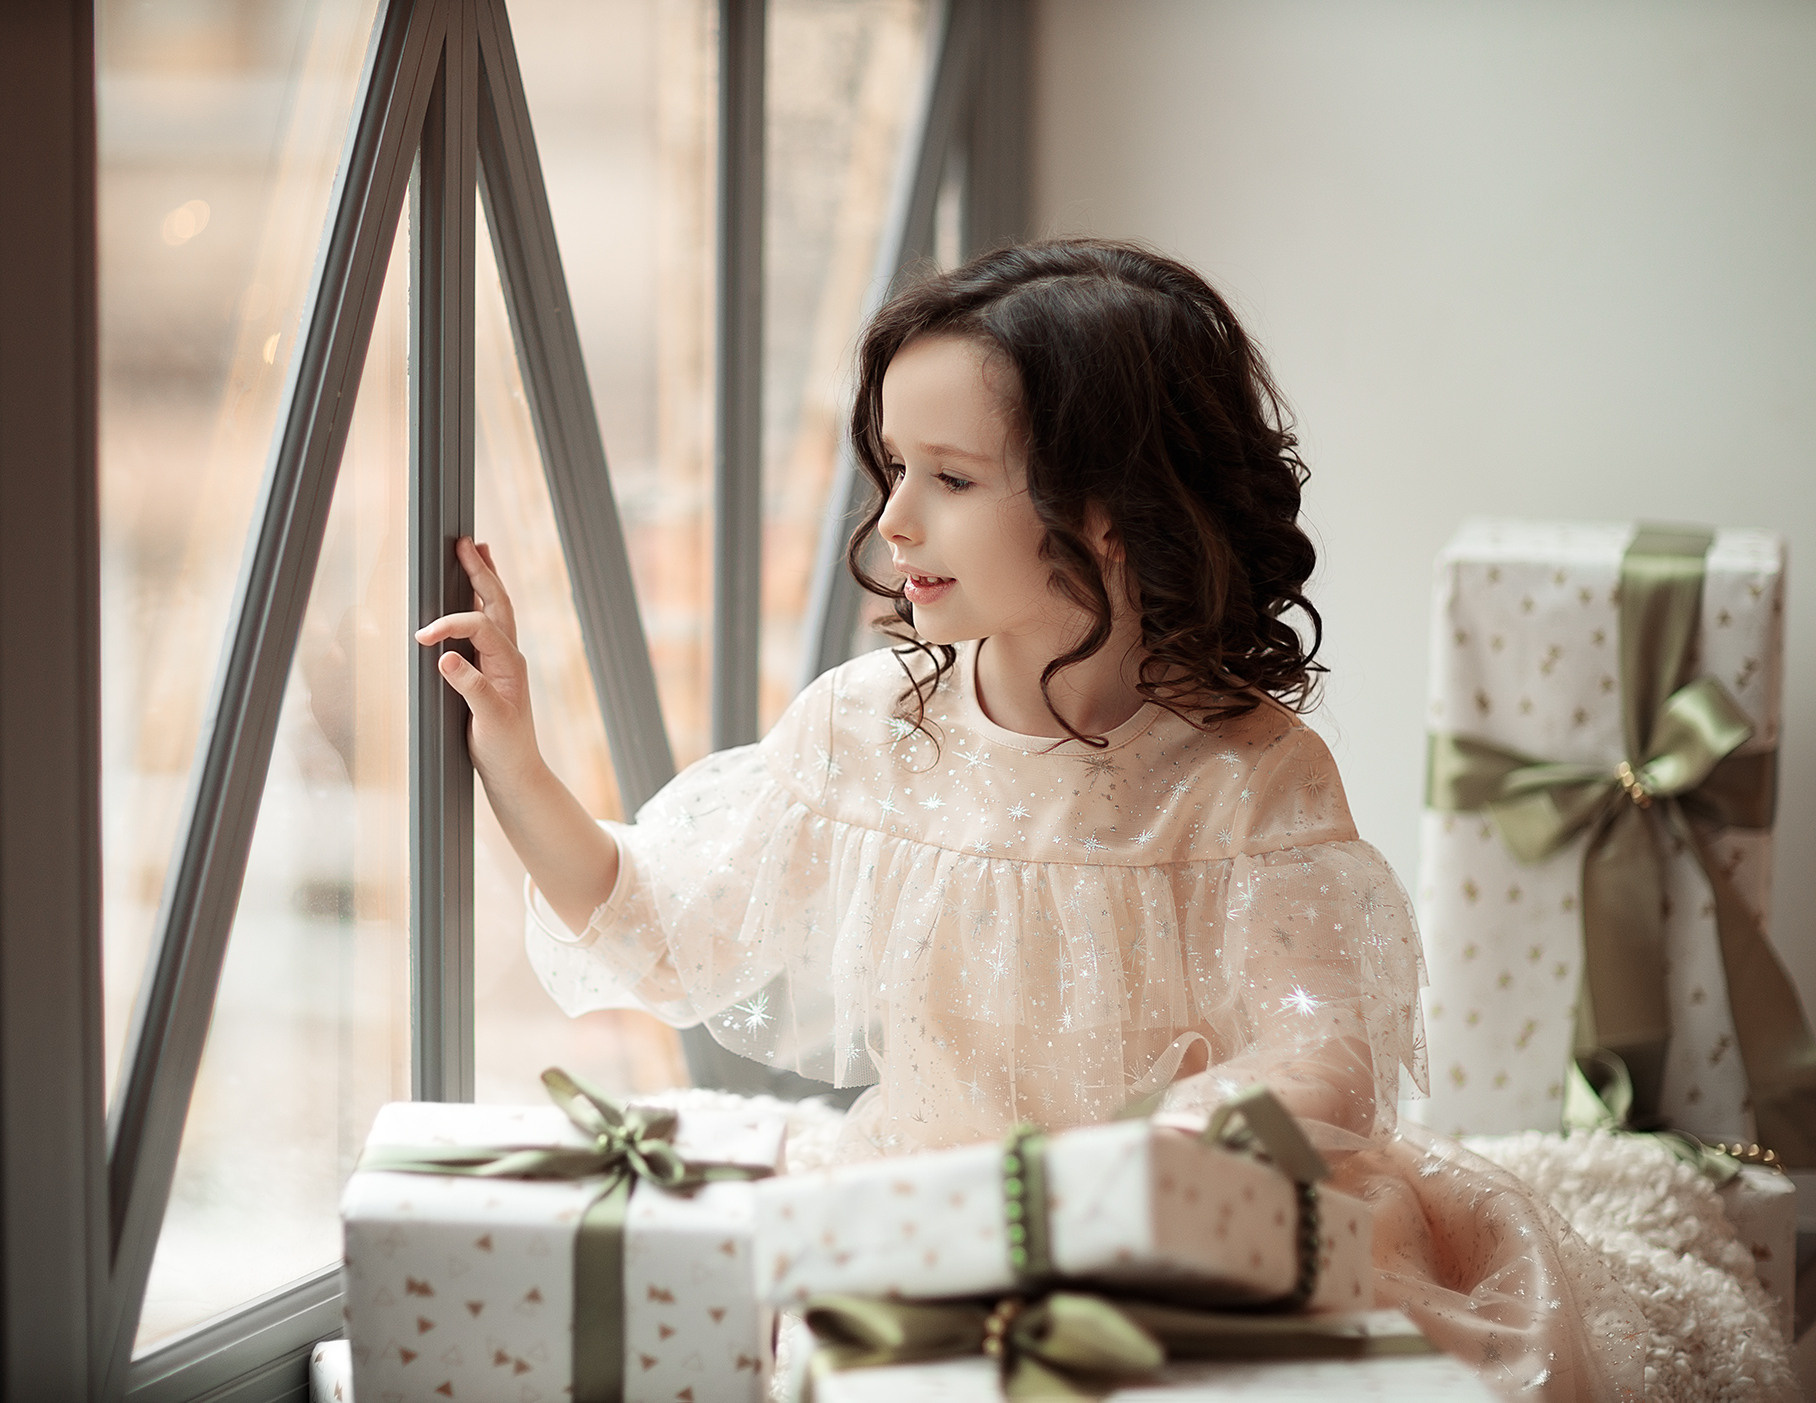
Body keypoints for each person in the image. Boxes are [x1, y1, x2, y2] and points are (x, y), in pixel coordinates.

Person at [417, 240, 1653, 1400]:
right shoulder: (866, 732)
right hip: (928, 1220)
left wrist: (1140, 1170)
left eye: (949, 479)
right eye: (893, 466)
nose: (895, 519)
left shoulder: (1245, 774)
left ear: (1112, 510)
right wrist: (513, 749)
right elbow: (655, 923)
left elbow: (1320, 1053)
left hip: (1172, 1240)